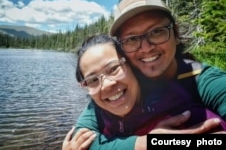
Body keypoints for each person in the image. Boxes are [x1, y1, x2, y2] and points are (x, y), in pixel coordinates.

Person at [62, 33, 226, 150]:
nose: (105, 85)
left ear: (133, 67)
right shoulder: (97, 107)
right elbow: (83, 140)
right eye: (92, 80)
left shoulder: (179, 111)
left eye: (113, 69)